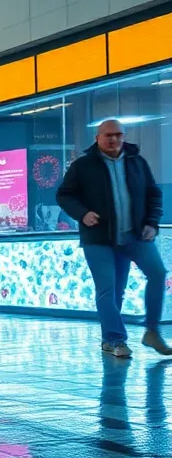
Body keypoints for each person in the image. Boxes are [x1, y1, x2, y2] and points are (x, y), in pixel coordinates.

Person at [57, 119, 171, 358]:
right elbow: (64, 195)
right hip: (99, 238)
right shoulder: (83, 165)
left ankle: (151, 331)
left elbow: (154, 194)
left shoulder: (137, 163)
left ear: (124, 136)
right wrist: (83, 213)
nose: (114, 139)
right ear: (97, 138)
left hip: (135, 236)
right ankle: (114, 339)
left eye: (119, 134)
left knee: (158, 273)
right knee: (110, 290)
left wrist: (152, 222)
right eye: (108, 135)